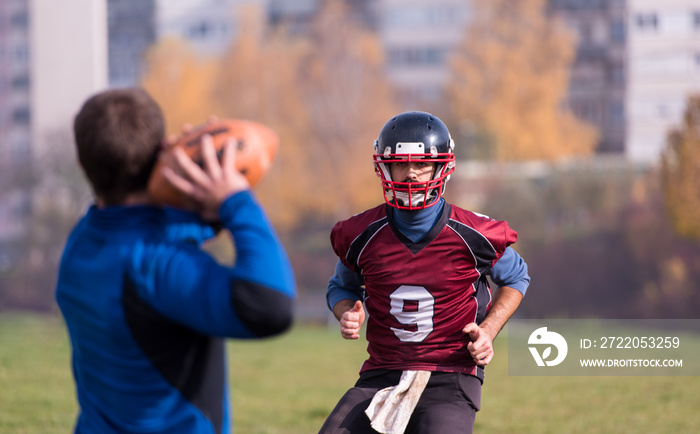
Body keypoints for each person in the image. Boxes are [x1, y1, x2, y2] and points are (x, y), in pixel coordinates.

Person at [55, 88, 296, 433]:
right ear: (160, 150)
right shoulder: (155, 266)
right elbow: (271, 306)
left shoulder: (82, 241)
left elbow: (147, 225)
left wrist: (189, 172)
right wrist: (237, 200)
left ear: (83, 164)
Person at [319, 111, 530, 434]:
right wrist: (346, 311)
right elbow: (341, 287)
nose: (411, 175)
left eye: (421, 164)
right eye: (400, 164)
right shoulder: (362, 234)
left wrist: (488, 330)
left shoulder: (473, 233)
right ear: (384, 167)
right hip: (382, 371)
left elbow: (516, 278)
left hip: (451, 374)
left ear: (441, 167)